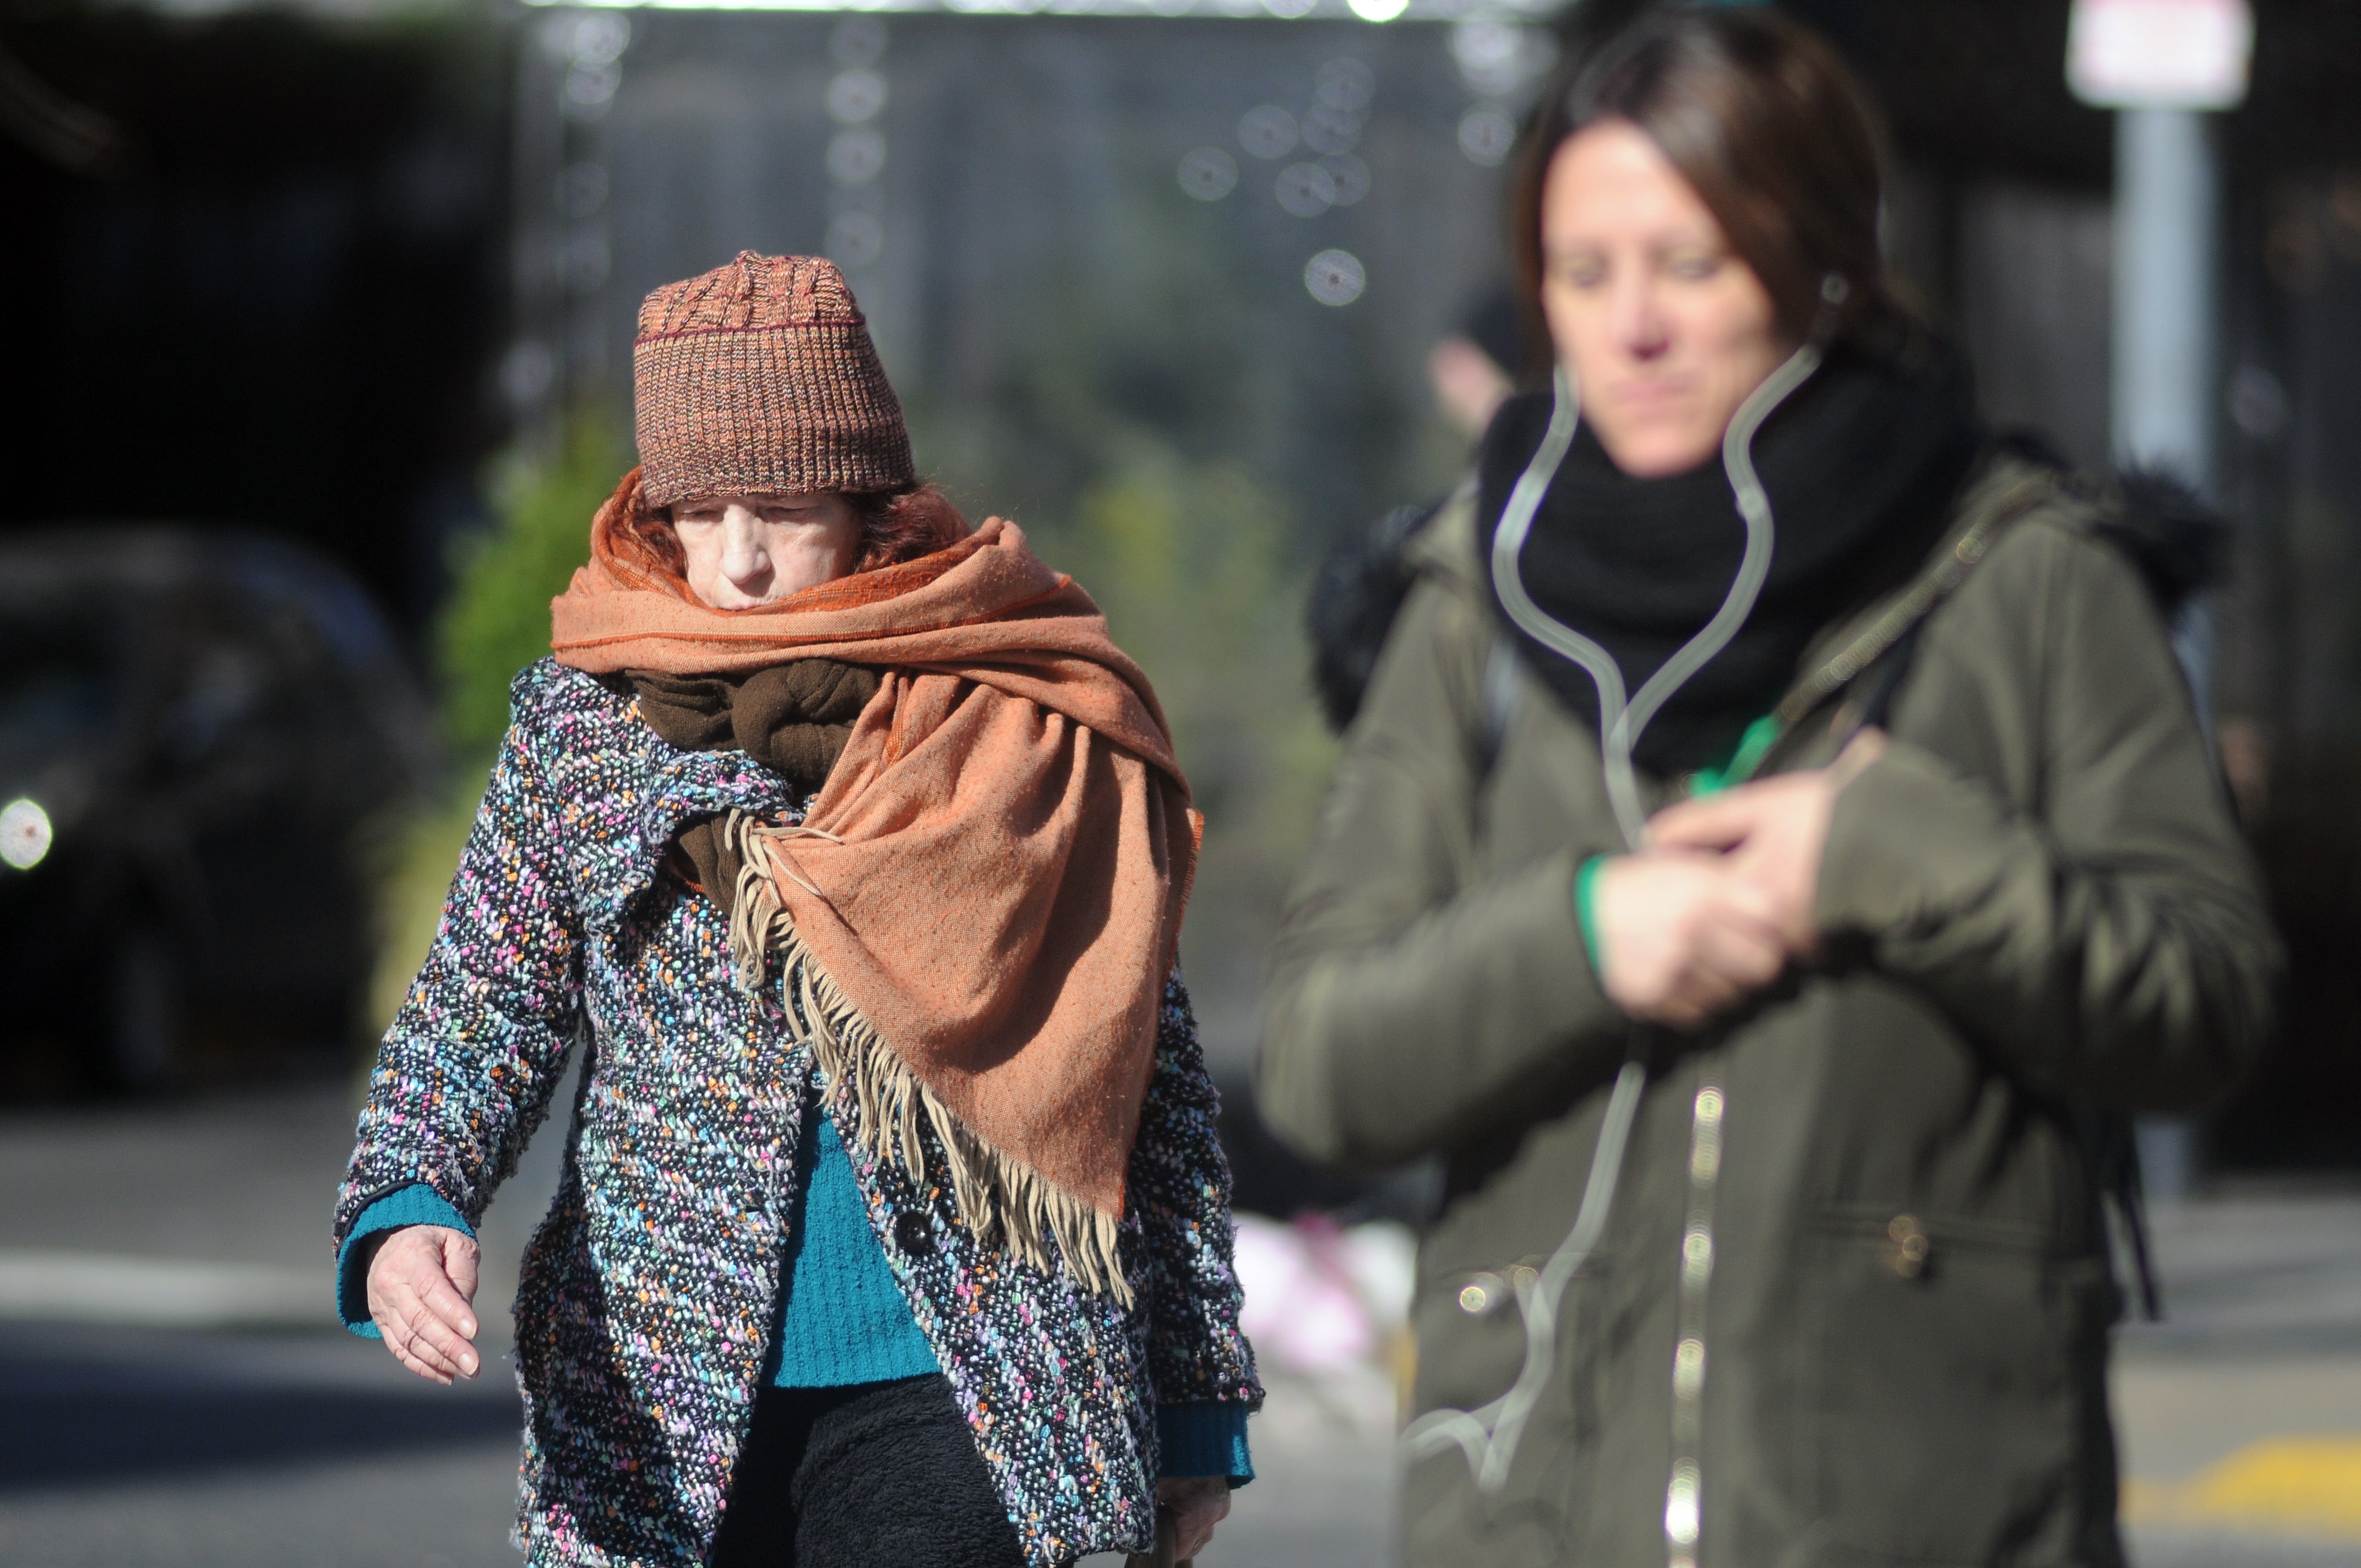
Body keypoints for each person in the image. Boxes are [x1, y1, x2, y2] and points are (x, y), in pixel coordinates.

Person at [1258, 12, 2280, 1568]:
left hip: (1935, 1515)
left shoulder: (2029, 577)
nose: (1633, 330)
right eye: (1583, 274)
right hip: (1533, 1515)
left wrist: (1895, 855)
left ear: (1819, 267)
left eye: (1693, 265)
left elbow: (2206, 1002)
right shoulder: (1473, 599)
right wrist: (1586, 937)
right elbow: (1324, 1063)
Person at [335, 252, 1256, 1568]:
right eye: (700, 511)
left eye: (781, 505)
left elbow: (1135, 1073)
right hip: (658, 1383)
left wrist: (1194, 1398)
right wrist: (409, 1209)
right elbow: (480, 1004)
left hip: (973, 1376)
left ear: (869, 501)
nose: (743, 562)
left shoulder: (1020, 718)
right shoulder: (583, 722)